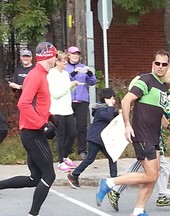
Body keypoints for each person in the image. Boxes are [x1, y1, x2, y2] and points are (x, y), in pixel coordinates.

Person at [96, 49, 170, 216]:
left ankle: (138, 211)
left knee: (153, 176)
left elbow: (160, 114)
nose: (161, 67)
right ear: (153, 64)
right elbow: (127, 100)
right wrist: (127, 125)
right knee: (150, 174)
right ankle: (109, 183)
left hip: (154, 136)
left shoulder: (162, 87)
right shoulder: (145, 80)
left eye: (164, 64)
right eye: (158, 63)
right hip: (142, 134)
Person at [0, 42, 58, 216]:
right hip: (33, 133)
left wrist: (49, 117)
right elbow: (23, 103)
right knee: (49, 176)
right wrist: (43, 125)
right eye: (55, 55)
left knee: (35, 179)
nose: (56, 59)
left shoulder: (41, 74)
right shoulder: (35, 75)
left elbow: (37, 104)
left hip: (34, 131)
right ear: (49, 57)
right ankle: (33, 214)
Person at [67, 87, 119, 188]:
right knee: (90, 159)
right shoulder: (100, 109)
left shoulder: (106, 109)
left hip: (103, 139)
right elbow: (108, 116)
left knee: (112, 157)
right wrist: (111, 106)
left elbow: (111, 116)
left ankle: (114, 179)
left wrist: (118, 113)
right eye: (112, 98)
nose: (114, 100)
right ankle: (74, 175)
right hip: (95, 139)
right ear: (107, 99)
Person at [47, 51, 79, 173]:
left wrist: (72, 85)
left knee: (73, 133)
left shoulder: (65, 74)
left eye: (66, 60)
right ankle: (60, 162)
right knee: (60, 136)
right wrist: (69, 86)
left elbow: (67, 91)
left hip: (67, 109)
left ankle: (65, 156)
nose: (66, 62)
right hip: (57, 110)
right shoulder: (51, 74)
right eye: (63, 60)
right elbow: (55, 93)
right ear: (56, 61)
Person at [65, 46, 97, 159]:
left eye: (77, 54)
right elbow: (62, 81)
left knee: (82, 126)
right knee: (67, 126)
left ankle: (82, 150)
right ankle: (66, 151)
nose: (75, 56)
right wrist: (73, 73)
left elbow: (93, 82)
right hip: (67, 100)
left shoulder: (83, 67)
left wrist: (89, 73)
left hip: (82, 100)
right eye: (73, 54)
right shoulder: (64, 67)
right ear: (68, 55)